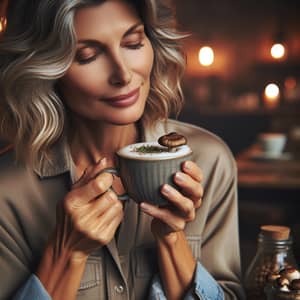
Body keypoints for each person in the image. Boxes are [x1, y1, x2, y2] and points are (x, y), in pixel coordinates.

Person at [0, 0, 245, 299]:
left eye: (133, 42)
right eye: (87, 56)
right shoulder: (7, 192)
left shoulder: (209, 161)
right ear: (47, 68)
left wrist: (171, 240)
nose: (124, 74)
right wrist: (66, 253)